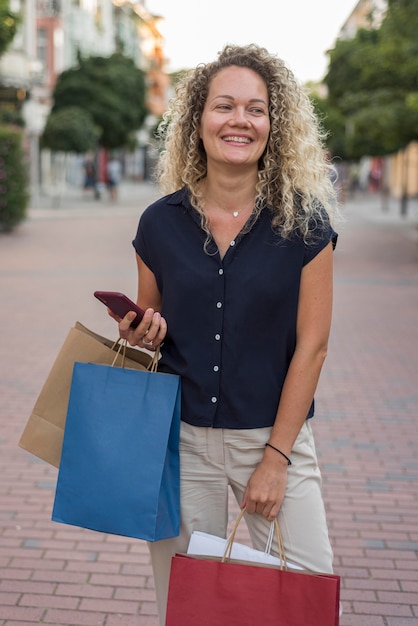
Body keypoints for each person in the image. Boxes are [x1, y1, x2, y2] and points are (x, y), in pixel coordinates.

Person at [111, 44, 339, 625]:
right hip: (182, 445)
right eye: (224, 106)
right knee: (191, 605)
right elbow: (151, 327)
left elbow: (311, 346)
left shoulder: (306, 224)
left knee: (307, 593)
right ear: (198, 121)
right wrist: (140, 334)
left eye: (256, 109)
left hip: (274, 439)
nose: (240, 120)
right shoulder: (159, 223)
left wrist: (276, 458)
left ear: (274, 125)